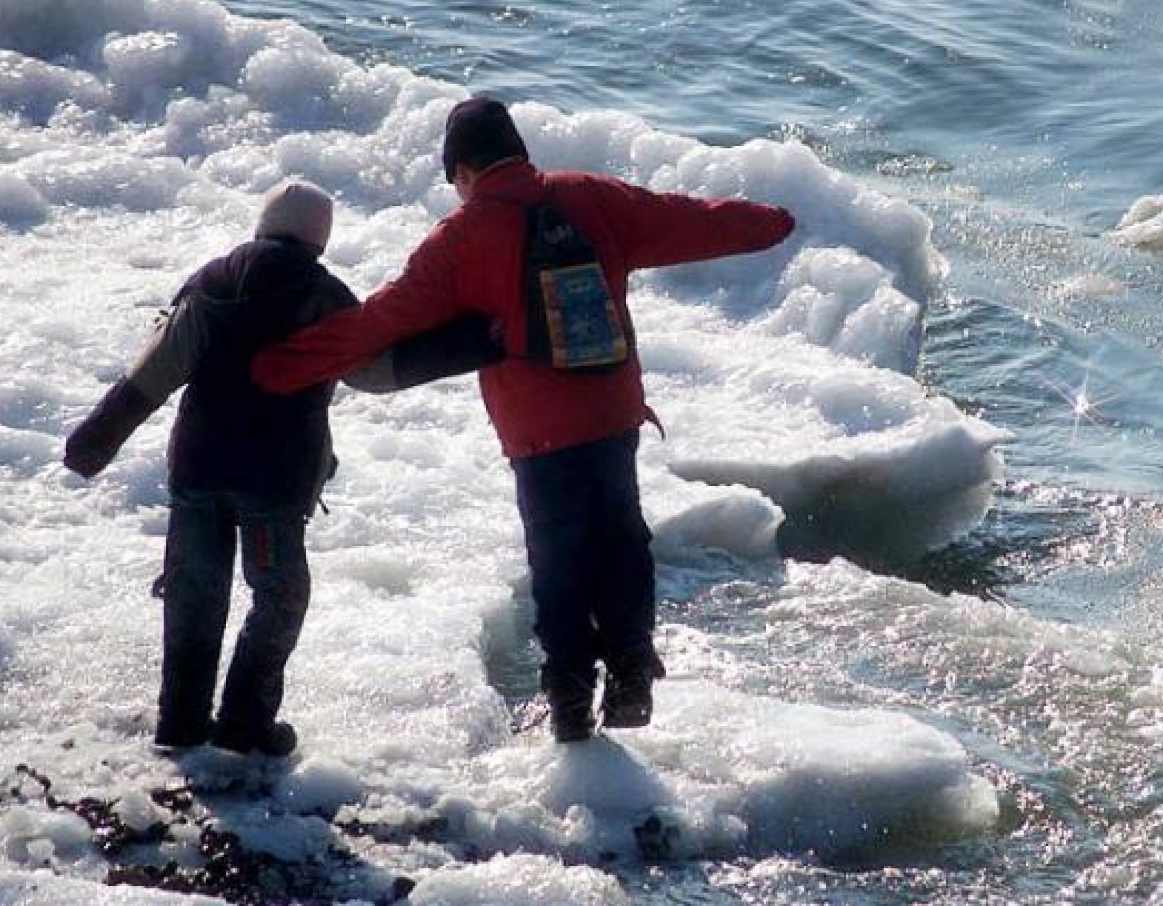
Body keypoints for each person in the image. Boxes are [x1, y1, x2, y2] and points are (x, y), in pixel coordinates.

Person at [252, 97, 796, 742]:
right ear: (518, 150)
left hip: (537, 430)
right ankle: (631, 673)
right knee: (621, 536)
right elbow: (693, 220)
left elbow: (381, 320)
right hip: (612, 409)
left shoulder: (460, 238)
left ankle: (568, 701)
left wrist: (279, 365)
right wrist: (773, 221)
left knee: (558, 554)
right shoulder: (593, 197)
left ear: (462, 170)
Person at [64, 179, 500, 756]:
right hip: (272, 483)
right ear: (320, 240)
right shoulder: (323, 296)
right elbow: (375, 372)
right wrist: (478, 340)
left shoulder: (210, 284)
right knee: (279, 596)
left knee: (194, 594)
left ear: (262, 223)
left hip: (199, 471)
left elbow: (151, 374)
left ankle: (180, 725)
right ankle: (246, 723)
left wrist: (93, 443)